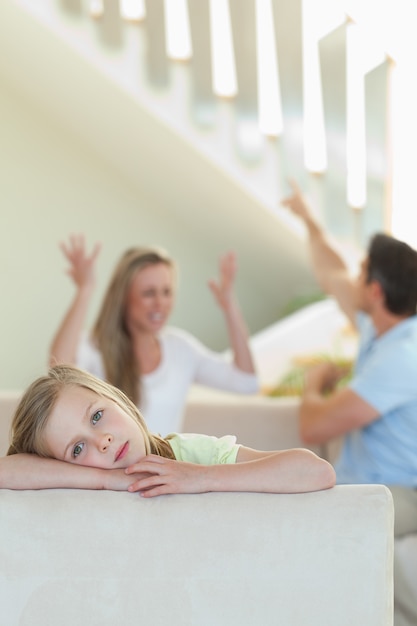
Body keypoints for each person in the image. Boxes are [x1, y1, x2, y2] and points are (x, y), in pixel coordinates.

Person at [282, 179, 417, 625]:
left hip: (402, 491)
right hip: (367, 480)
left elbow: (313, 427)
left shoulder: (402, 356)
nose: (354, 278)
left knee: (331, 525)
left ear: (376, 291)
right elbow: (331, 272)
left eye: (364, 272)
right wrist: (307, 217)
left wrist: (313, 385)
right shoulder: (380, 328)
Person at [1, 365, 336, 496]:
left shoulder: (190, 454)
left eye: (98, 416)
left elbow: (316, 472)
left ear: (118, 399)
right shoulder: (74, 484)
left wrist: (201, 477)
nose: (101, 441)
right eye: (77, 449)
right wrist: (105, 480)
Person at [49, 235, 259, 436]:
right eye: (149, 293)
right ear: (124, 297)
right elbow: (58, 368)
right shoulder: (96, 348)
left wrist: (229, 306)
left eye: (166, 292)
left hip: (165, 469)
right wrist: (85, 289)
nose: (160, 303)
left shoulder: (181, 348)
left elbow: (247, 383)